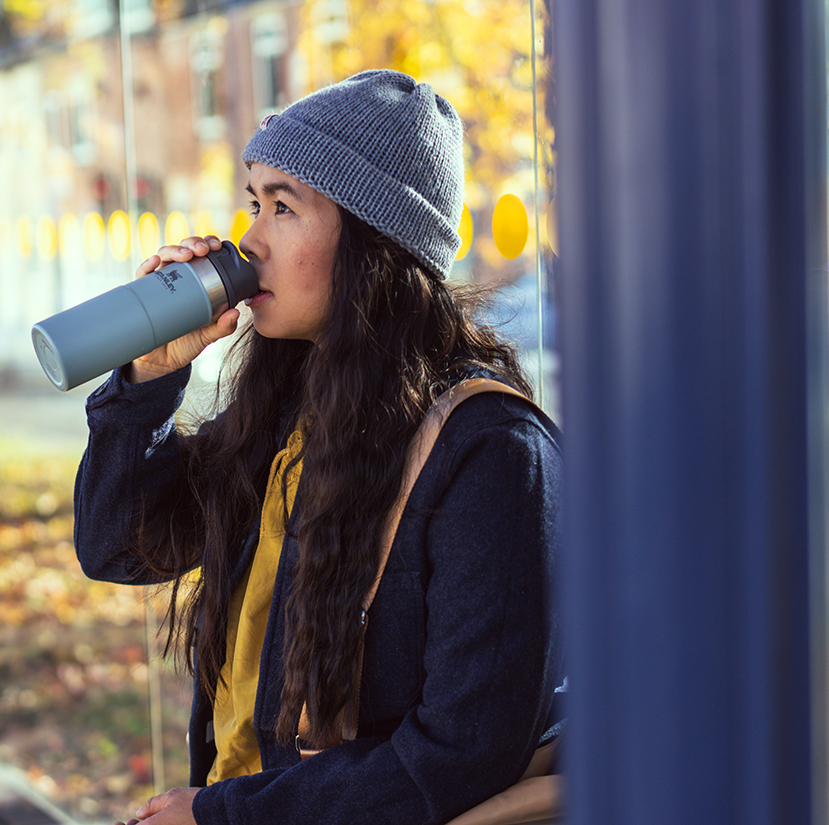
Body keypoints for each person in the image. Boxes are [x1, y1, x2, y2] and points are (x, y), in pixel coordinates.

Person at [73, 69, 564, 825]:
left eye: (282, 206)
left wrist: (224, 816)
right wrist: (147, 381)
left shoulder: (490, 452)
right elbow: (117, 546)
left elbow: (463, 750)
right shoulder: (289, 412)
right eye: (252, 202)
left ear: (373, 239)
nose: (249, 239)